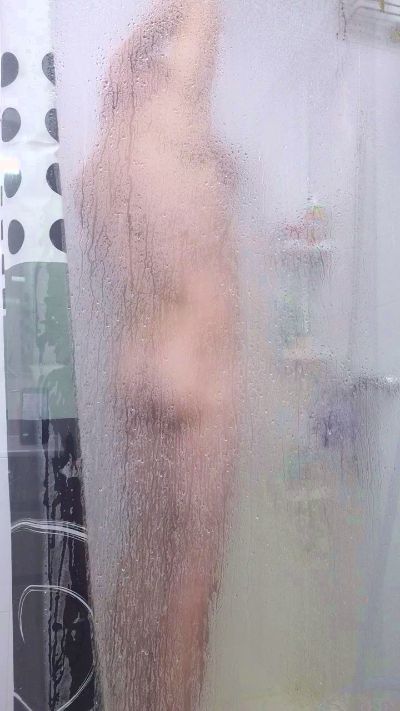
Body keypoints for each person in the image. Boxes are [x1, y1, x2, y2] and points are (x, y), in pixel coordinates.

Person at [78, 0, 238, 708]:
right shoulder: (175, 116)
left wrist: (123, 64)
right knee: (192, 586)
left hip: (135, 367)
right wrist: (140, 41)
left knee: (141, 561)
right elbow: (201, 7)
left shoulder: (98, 169)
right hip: (197, 372)